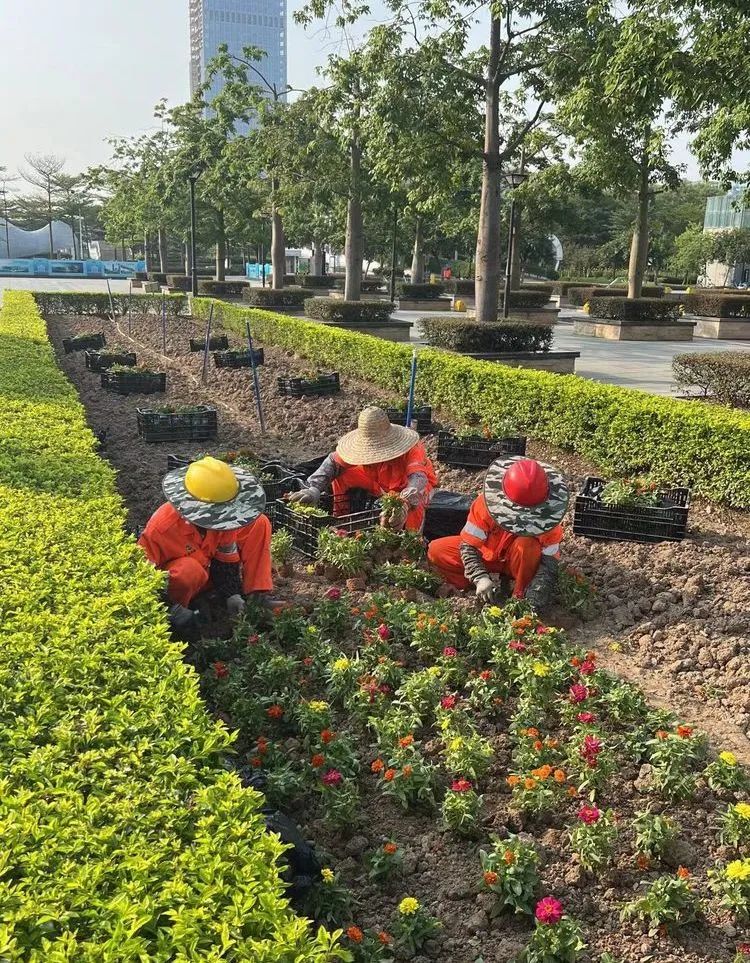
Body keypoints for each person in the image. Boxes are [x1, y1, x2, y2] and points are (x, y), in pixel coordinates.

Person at [138, 455, 273, 630]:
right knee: (188, 571)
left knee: (259, 522)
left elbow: (226, 561)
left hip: (210, 574)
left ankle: (257, 595)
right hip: (180, 587)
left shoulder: (226, 521)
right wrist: (170, 608)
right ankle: (182, 616)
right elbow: (140, 577)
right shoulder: (161, 529)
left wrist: (231, 594)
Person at [427, 456, 569, 609]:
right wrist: (480, 576)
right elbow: (468, 545)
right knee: (436, 550)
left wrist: (535, 598)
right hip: (486, 554)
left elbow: (549, 564)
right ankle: (473, 588)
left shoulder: (549, 521)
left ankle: (519, 595)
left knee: (528, 546)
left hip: (518, 561)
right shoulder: (485, 504)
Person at [288, 406, 437, 531]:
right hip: (380, 482)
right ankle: (341, 521)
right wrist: (314, 488)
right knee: (344, 474)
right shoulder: (366, 457)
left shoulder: (412, 449)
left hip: (411, 488)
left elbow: (418, 480)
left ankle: (409, 549)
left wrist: (404, 503)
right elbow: (333, 462)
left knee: (412, 509)